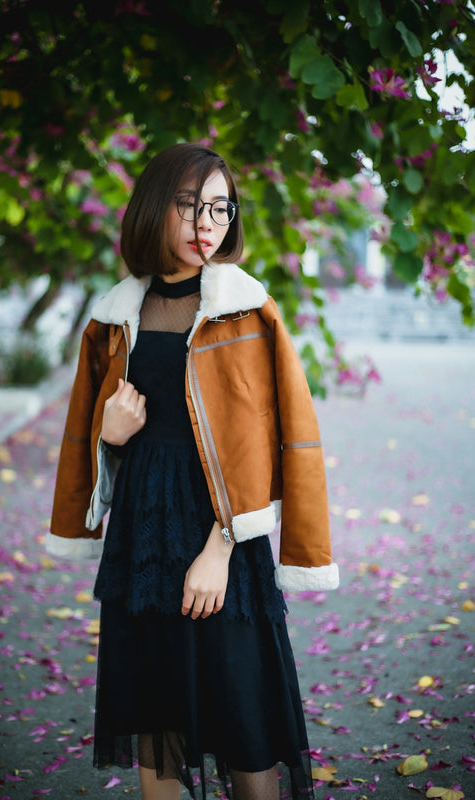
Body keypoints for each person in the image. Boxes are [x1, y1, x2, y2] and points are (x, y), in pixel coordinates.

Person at [47, 142, 339, 800]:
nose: (205, 223)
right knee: (158, 730)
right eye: (189, 206)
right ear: (154, 208)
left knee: (246, 730)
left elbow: (272, 440)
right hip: (143, 539)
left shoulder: (246, 309)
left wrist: (220, 550)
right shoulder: (115, 314)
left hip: (223, 538)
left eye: (219, 208)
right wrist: (109, 435)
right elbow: (92, 441)